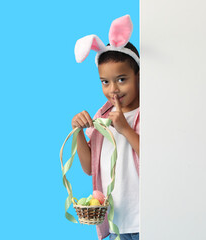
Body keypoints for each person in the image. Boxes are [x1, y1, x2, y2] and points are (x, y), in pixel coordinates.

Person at [71, 15, 140, 240]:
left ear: (138, 76)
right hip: (115, 224)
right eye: (105, 82)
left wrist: (126, 130)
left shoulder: (148, 114)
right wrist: (78, 134)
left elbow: (161, 161)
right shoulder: (103, 118)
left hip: (147, 220)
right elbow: (89, 167)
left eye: (122, 79)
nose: (113, 90)